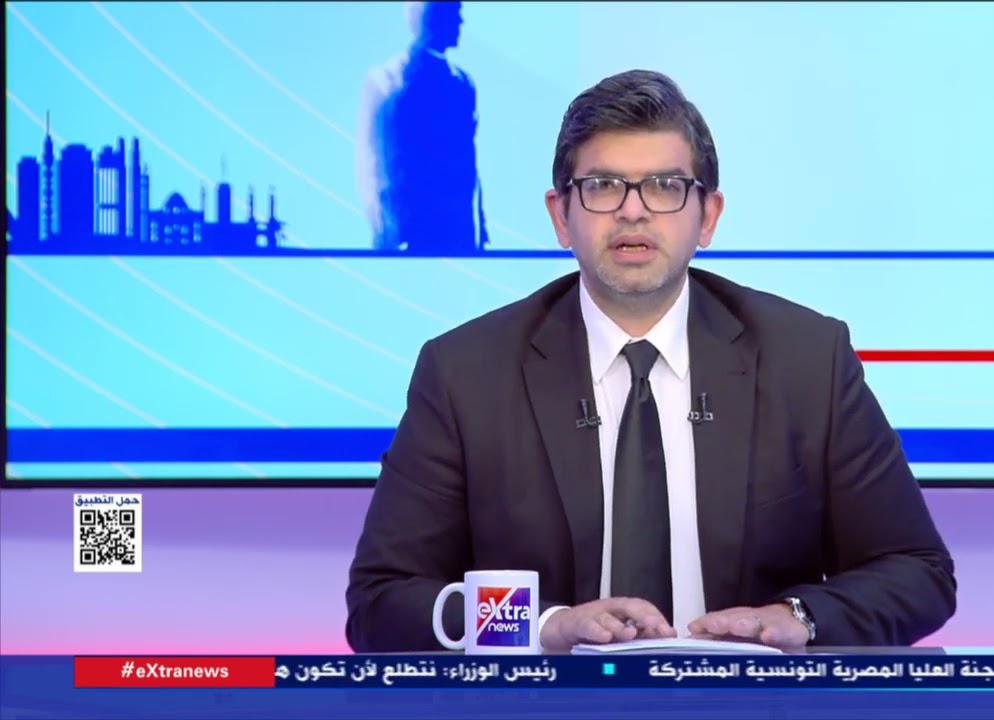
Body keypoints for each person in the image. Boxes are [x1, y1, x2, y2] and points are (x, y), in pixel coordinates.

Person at [345, 69, 956, 653]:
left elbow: (917, 572)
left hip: (751, 704)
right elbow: (381, 602)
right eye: (603, 186)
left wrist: (798, 618)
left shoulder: (806, 359)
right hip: (546, 706)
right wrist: (543, 626)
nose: (633, 211)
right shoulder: (466, 373)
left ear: (707, 216)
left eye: (664, 186)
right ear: (561, 216)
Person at [354, 1, 489, 255]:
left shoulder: (462, 84)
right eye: (453, 14)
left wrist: (479, 232)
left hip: (457, 237)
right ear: (428, 17)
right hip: (407, 238)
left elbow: (469, 165)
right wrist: (387, 235)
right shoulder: (386, 81)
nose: (460, 22)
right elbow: (372, 165)